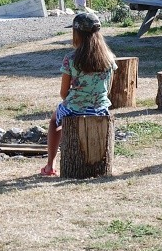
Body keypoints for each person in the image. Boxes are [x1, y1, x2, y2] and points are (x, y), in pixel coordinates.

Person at [41, 11, 117, 177]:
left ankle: (50, 164)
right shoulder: (110, 59)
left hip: (74, 108)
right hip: (100, 109)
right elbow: (108, 88)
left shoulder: (71, 59)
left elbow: (63, 92)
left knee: (55, 121)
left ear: (77, 33)